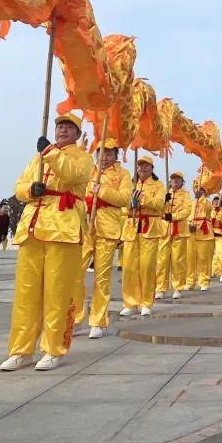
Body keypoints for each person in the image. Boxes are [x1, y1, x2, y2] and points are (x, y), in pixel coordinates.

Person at [0, 113, 94, 371]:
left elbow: (73, 175)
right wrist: (31, 190)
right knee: (26, 294)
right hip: (33, 226)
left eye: (68, 127)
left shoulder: (82, 157)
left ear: (76, 133)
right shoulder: (37, 159)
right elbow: (19, 185)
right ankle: (21, 349)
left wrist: (50, 152)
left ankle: (54, 348)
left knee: (57, 292)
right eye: (60, 126)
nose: (63, 131)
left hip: (63, 227)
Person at [78, 139, 130, 338]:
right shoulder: (90, 170)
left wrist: (103, 191)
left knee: (102, 277)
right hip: (85, 226)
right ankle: (74, 318)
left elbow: (124, 198)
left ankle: (98, 321)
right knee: (75, 273)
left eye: (109, 153)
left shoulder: (123, 174)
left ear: (116, 155)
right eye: (101, 152)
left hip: (107, 228)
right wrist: (81, 151)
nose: (105, 157)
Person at [118, 156, 167, 318]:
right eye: (140, 166)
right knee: (130, 267)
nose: (143, 169)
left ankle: (146, 302)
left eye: (146, 166)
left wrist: (142, 199)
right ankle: (130, 302)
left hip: (150, 227)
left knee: (147, 266)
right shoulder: (131, 184)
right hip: (132, 226)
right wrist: (129, 204)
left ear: (152, 168)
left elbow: (159, 205)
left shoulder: (159, 185)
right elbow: (122, 205)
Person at [156, 172, 193, 299]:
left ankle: (178, 287)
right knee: (162, 260)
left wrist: (173, 216)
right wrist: (163, 202)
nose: (175, 181)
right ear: (170, 182)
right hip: (164, 230)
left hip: (180, 230)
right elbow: (157, 208)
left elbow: (187, 210)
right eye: (173, 179)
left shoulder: (186, 194)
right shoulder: (165, 193)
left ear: (182, 182)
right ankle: (160, 288)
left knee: (178, 260)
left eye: (178, 179)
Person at [186, 182, 216, 291]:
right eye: (198, 190)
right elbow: (186, 215)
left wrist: (201, 198)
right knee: (190, 258)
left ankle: (204, 281)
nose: (199, 192)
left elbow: (208, 209)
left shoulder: (207, 202)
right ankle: (190, 282)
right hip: (191, 231)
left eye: (202, 190)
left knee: (204, 258)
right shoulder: (191, 203)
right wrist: (188, 224)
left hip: (204, 232)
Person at [211, 195, 222, 282]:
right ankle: (212, 270)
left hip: (220, 234)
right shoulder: (209, 210)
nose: (216, 203)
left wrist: (220, 216)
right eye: (214, 202)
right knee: (210, 255)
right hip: (208, 235)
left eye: (218, 202)